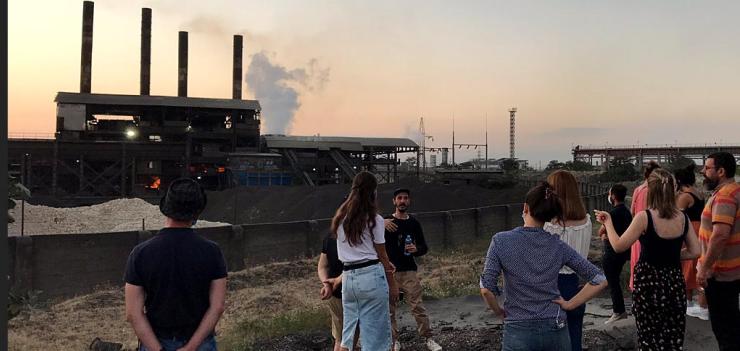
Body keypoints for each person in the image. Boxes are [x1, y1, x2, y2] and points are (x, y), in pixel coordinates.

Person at [480, 182, 607, 351]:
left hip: (518, 328)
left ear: (526, 208)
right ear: (550, 215)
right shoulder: (558, 246)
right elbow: (600, 279)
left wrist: (499, 312)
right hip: (555, 326)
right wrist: (570, 304)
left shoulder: (500, 241)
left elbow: (486, 289)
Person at [595, 168, 701, 350]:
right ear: (673, 190)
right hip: (674, 281)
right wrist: (672, 256)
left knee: (649, 335)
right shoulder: (683, 218)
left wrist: (608, 223)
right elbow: (695, 251)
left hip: (648, 282)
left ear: (651, 191)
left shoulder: (644, 217)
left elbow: (619, 245)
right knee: (673, 334)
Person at [124, 178, 227, 351]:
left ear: (166, 209)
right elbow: (217, 307)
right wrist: (190, 347)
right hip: (200, 344)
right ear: (197, 213)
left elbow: (133, 314)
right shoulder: (212, 252)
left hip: (156, 342)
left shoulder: (141, 253)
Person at [331, 171, 398, 351]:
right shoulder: (375, 220)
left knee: (348, 334)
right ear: (373, 192)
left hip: (348, 279)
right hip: (371, 277)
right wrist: (392, 284)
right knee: (376, 337)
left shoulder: (339, 218)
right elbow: (382, 254)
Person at [383, 188, 442, 351]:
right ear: (394, 201)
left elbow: (424, 247)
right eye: (399, 198)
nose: (402, 201)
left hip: (409, 271)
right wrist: (382, 222)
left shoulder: (414, 223)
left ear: (409, 201)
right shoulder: (385, 221)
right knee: (389, 309)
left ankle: (428, 338)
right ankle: (394, 340)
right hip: (389, 273)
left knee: (417, 307)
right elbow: (367, 228)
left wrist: (416, 249)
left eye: (405, 198)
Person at [696, 152, 740, 351]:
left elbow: (720, 235)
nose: (703, 172)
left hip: (721, 275)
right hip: (733, 271)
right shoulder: (735, 191)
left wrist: (704, 269)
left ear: (721, 171)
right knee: (732, 326)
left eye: (707, 168)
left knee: (724, 330)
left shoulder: (724, 196)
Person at [544, 170, 592, 351]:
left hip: (551, 283)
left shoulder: (549, 225)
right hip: (577, 284)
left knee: (550, 339)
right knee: (574, 335)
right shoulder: (586, 222)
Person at [674, 163, 709, 320]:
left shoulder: (684, 196)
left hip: (689, 231)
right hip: (700, 228)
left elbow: (677, 216)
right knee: (697, 266)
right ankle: (700, 304)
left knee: (687, 266)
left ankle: (689, 303)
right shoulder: (698, 193)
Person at [318, 232, 359, 351]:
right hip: (347, 295)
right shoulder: (359, 238)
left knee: (342, 339)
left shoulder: (329, 237)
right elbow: (323, 266)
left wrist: (327, 284)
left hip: (337, 294)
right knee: (347, 340)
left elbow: (322, 266)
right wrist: (327, 283)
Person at [598, 184, 632, 324]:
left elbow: (600, 231)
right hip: (624, 252)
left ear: (612, 196)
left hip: (612, 252)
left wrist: (604, 234)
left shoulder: (612, 214)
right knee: (615, 280)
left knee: (613, 282)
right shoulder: (627, 211)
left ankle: (618, 311)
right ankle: (619, 310)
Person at [628, 161, 661, 291]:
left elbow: (632, 211)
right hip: (655, 233)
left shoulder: (638, 190)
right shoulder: (658, 191)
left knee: (637, 264)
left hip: (638, 233)